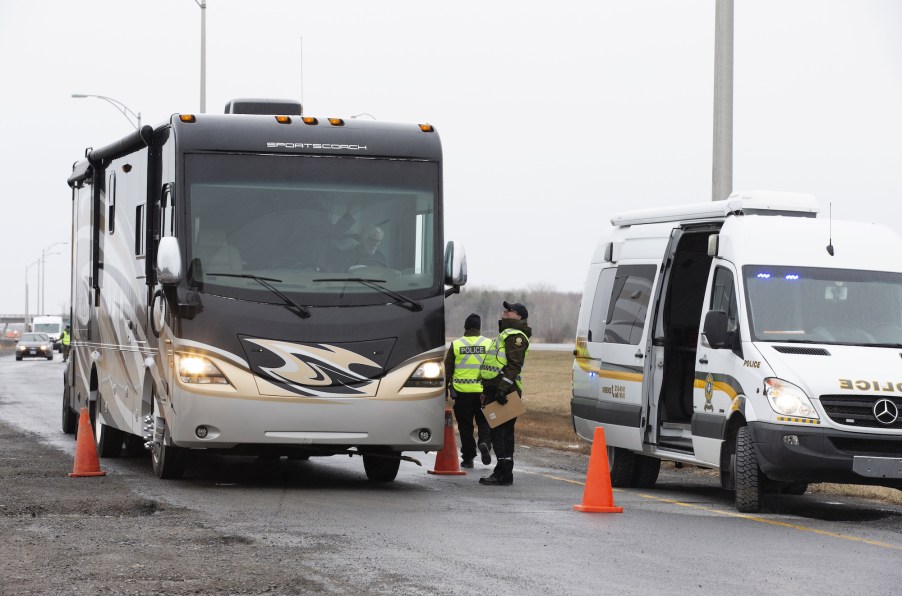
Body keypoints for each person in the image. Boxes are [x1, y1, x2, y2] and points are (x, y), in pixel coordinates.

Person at [478, 301, 532, 486]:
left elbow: (513, 365)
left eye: (510, 310)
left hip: (506, 392)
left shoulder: (516, 336)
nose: (505, 311)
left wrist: (502, 389)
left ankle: (503, 473)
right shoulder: (504, 334)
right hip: (496, 390)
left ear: (519, 317)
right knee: (498, 432)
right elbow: (495, 365)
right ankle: (502, 471)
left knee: (502, 434)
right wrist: (487, 390)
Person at [444, 313, 493, 468]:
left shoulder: (457, 344)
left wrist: (444, 388)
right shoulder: (489, 343)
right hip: (483, 393)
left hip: (462, 393)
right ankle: (485, 443)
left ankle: (468, 458)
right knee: (484, 423)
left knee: (466, 427)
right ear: (479, 328)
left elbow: (447, 369)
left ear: (465, 327)